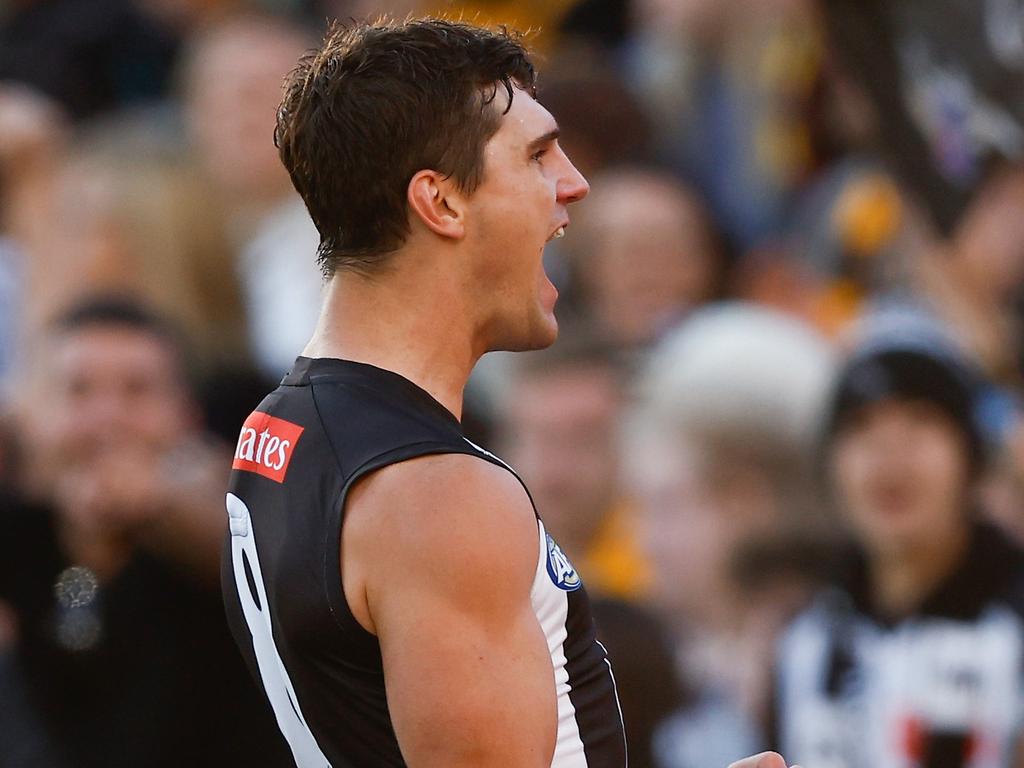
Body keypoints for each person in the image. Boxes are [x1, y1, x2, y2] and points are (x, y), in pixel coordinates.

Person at [0, 297, 290, 767]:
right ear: (29, 414)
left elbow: (262, 567)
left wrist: (169, 504)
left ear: (189, 413)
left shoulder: (231, 528)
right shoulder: (18, 535)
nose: (108, 417)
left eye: (137, 390)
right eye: (78, 390)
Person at [773, 320, 1024, 768]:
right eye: (861, 427)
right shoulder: (804, 641)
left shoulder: (1014, 625)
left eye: (921, 420)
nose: (890, 454)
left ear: (971, 457)